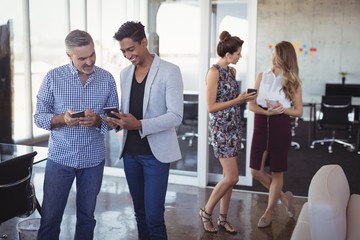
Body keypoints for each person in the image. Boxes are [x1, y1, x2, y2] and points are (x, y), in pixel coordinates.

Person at [34, 29, 119, 240]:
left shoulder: (107, 79)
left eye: (92, 55)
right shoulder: (53, 78)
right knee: (50, 219)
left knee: (87, 218)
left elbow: (114, 120)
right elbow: (39, 117)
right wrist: (63, 119)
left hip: (93, 160)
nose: (90, 61)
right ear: (69, 56)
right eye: (82, 58)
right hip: (60, 159)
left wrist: (98, 120)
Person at [106, 21, 183, 240]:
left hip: (155, 156)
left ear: (144, 42)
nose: (127, 55)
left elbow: (175, 116)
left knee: (154, 217)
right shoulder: (124, 74)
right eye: (123, 51)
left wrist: (139, 124)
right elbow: (129, 111)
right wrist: (118, 120)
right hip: (130, 153)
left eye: (131, 49)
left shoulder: (170, 71)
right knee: (139, 213)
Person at [200, 31, 256, 234]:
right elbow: (211, 106)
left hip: (234, 128)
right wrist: (238, 100)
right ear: (228, 54)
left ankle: (223, 218)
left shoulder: (231, 72)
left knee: (228, 176)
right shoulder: (213, 72)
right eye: (238, 53)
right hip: (221, 130)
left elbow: (231, 100)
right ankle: (206, 212)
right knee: (232, 177)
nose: (240, 56)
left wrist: (243, 98)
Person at [248, 41, 303, 228]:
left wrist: (282, 110)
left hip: (281, 126)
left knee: (277, 171)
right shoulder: (262, 76)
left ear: (284, 57)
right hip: (261, 124)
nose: (273, 57)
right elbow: (251, 104)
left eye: (276, 54)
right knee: (255, 170)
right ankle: (283, 198)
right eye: (272, 53)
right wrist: (266, 112)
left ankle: (269, 211)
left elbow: (299, 111)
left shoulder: (293, 81)